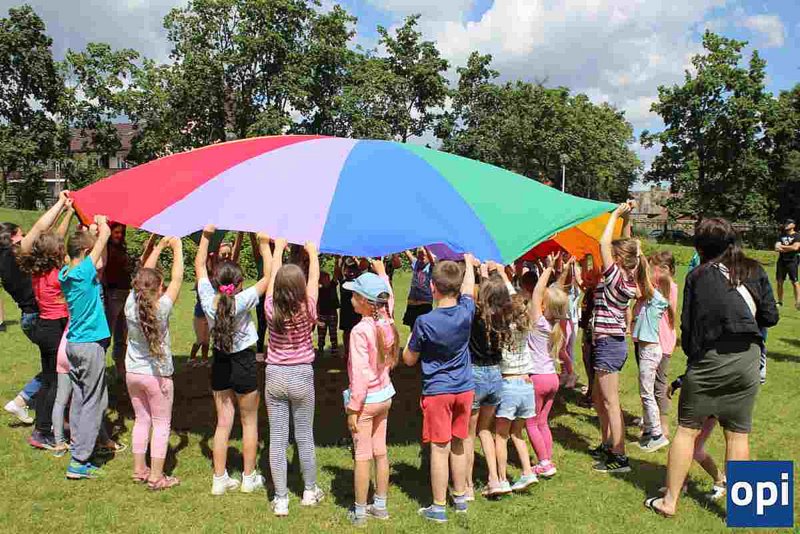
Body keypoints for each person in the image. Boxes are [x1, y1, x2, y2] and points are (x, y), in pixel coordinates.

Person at [645, 218, 779, 518]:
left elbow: (689, 327)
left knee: (686, 430)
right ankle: (746, 511)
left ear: (700, 247)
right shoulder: (755, 269)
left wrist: (694, 364)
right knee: (738, 434)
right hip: (747, 358)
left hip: (709, 358)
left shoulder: (697, 276)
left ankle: (669, 502)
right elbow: (770, 316)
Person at [195, 225, 272, 496]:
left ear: (216, 282)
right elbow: (268, 276)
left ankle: (219, 479)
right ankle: (248, 478)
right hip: (244, 361)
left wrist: (206, 236)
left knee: (223, 423)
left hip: (220, 361)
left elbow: (199, 267)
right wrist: (265, 245)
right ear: (238, 284)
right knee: (249, 422)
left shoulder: (208, 300)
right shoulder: (243, 300)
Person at [403, 256, 476, 523]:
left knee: (439, 448)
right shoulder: (467, 311)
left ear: (432, 287)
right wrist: (468, 262)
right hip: (465, 389)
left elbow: (409, 359)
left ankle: (438, 506)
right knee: (458, 442)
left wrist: (409, 340)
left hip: (438, 391)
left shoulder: (425, 321)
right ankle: (460, 497)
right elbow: (469, 289)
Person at [264, 238, 324, 516]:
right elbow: (314, 281)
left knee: (277, 439)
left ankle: (281, 499)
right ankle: (310, 491)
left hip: (275, 375)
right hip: (301, 374)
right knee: (304, 435)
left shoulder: (269, 308)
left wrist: (277, 249)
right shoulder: (308, 307)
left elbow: (272, 277)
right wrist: (312, 253)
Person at [125, 236, 184, 490]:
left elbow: (143, 276)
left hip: (132, 373)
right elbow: (178, 278)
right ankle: (157, 476)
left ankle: (139, 469)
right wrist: (178, 248)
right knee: (161, 424)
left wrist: (158, 248)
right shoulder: (162, 308)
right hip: (157, 376)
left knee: (142, 420)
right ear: (159, 288)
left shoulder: (130, 304)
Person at [342, 261, 398, 525]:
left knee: (362, 456)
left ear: (365, 302)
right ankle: (381, 506)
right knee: (381, 452)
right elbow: (390, 297)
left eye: (354, 295)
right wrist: (383, 274)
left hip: (366, 402)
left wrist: (353, 408)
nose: (351, 299)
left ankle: (360, 512)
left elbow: (360, 375)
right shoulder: (386, 322)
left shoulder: (359, 331)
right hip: (385, 397)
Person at [17, 193, 73, 449]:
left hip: (45, 327)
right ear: (56, 253)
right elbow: (50, 235)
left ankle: (49, 425)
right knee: (54, 383)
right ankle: (42, 431)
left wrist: (66, 211)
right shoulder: (60, 272)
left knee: (50, 379)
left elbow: (49, 234)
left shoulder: (38, 267)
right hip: (54, 330)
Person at [59, 214, 112, 479]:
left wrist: (89, 230)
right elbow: (106, 237)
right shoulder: (83, 272)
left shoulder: (66, 273)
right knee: (94, 401)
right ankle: (79, 461)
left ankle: (79, 450)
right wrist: (102, 223)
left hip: (74, 345)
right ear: (84, 252)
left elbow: (86, 250)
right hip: (90, 346)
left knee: (80, 398)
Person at [589, 201, 637, 473]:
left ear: (617, 260)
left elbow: (603, 244)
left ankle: (620, 456)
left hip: (609, 343)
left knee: (611, 402)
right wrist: (626, 219)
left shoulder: (616, 278)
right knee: (599, 398)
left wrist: (615, 215)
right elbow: (628, 246)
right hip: (607, 342)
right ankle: (608, 443)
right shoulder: (628, 275)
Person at [493, 263, 538, 494]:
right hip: (526, 385)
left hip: (509, 384)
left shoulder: (503, 328)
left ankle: (501, 479)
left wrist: (501, 275)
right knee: (517, 434)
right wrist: (504, 275)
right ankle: (528, 472)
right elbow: (515, 301)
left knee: (500, 436)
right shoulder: (526, 326)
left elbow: (510, 301)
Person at [464, 264, 505, 498]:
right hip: (496, 376)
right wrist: (492, 273)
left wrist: (475, 270)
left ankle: (468, 485)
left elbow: (468, 294)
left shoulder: (474, 315)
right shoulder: (504, 316)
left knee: (468, 434)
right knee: (486, 430)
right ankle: (495, 479)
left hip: (475, 374)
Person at [526, 255, 568, 478]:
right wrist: (550, 270)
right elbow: (551, 294)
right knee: (543, 422)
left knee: (531, 423)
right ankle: (547, 459)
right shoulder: (555, 326)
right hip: (553, 378)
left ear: (544, 305)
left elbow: (536, 292)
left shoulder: (539, 322)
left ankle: (544, 462)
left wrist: (549, 267)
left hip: (537, 379)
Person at [1, 222, 42, 424]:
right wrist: (62, 207)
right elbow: (40, 228)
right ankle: (22, 401)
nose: (26, 237)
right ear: (12, 238)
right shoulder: (10, 256)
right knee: (59, 365)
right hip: (37, 317)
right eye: (22, 234)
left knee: (57, 364)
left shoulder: (6, 258)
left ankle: (22, 401)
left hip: (29, 317)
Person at [631, 254, 669, 453]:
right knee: (644, 392)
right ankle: (647, 433)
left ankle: (657, 435)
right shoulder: (651, 300)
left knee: (647, 393)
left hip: (649, 351)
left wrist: (641, 256)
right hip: (646, 349)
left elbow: (645, 280)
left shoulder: (658, 300)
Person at [649, 251, 678, 438]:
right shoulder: (661, 285)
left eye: (654, 268)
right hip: (658, 341)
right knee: (652, 383)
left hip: (662, 342)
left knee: (659, 385)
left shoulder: (666, 287)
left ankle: (664, 426)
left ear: (665, 269)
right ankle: (653, 420)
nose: (651, 271)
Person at [103, 222, 133, 381]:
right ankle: (99, 366)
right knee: (106, 333)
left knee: (122, 334)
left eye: (121, 233)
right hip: (113, 294)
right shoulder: (106, 249)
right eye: (116, 232)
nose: (119, 235)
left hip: (125, 292)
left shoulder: (122, 249)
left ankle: (120, 367)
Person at [336, 256, 362, 359]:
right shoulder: (343, 281)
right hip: (346, 312)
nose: (351, 272)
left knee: (358, 331)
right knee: (347, 332)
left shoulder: (359, 281)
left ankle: (357, 351)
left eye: (353, 269)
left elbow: (362, 271)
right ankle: (347, 351)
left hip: (357, 312)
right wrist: (339, 259)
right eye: (348, 269)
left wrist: (356, 260)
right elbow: (338, 271)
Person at [402, 248, 434, 328]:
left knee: (424, 328)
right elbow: (407, 252)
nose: (421, 257)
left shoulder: (430, 266)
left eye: (423, 255)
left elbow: (432, 261)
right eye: (419, 255)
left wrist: (426, 247)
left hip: (424, 303)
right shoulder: (416, 264)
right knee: (412, 328)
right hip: (412, 303)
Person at [774, 218, 799, 308]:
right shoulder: (781, 235)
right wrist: (789, 247)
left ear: (793, 225)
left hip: (792, 261)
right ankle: (780, 301)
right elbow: (776, 248)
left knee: (794, 282)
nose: (786, 225)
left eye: (788, 223)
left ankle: (798, 302)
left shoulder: (797, 236)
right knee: (779, 282)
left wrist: (782, 247)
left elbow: (795, 247)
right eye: (785, 223)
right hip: (781, 261)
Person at [317, 270, 339, 354]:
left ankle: (334, 349)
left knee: (333, 333)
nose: (327, 280)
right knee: (321, 334)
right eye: (325, 278)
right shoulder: (319, 289)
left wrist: (337, 263)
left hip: (332, 314)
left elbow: (336, 274)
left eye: (328, 278)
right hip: (322, 314)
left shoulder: (332, 285)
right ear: (321, 280)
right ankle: (320, 348)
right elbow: (317, 303)